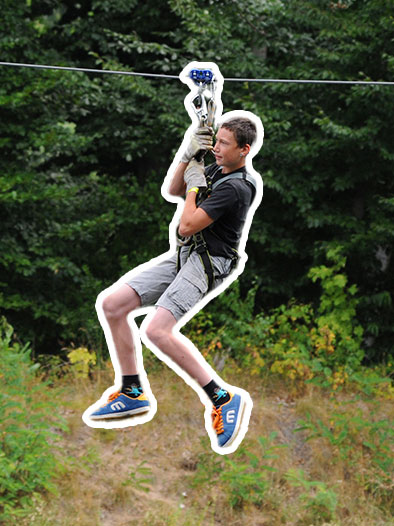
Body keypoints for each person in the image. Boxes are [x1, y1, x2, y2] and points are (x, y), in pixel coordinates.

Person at [86, 116, 262, 452]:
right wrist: (188, 152)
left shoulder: (237, 187)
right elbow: (172, 189)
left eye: (224, 144)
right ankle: (132, 390)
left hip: (209, 262)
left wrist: (195, 187)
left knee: (155, 331)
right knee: (112, 304)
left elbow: (187, 226)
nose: (216, 148)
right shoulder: (215, 170)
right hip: (185, 255)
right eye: (216, 141)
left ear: (245, 150)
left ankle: (222, 398)